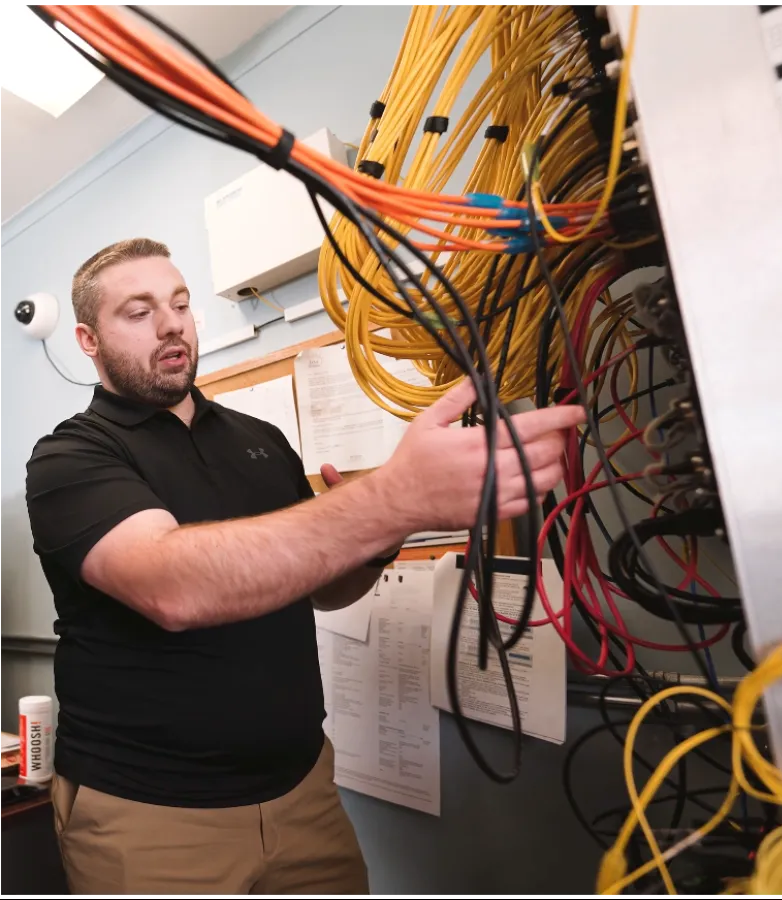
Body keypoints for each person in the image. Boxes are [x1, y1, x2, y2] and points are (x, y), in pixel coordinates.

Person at [24, 238, 582, 896]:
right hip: (151, 816)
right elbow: (172, 588)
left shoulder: (260, 441)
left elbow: (325, 590)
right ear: (88, 340)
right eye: (139, 312)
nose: (172, 323)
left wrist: (385, 526)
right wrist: (390, 497)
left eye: (179, 303)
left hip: (304, 794)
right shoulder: (69, 458)